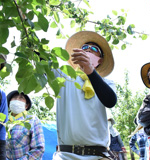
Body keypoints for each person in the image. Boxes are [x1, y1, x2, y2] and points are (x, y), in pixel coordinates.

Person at [52, 31, 117, 160]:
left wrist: (90, 71)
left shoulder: (106, 83)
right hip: (66, 156)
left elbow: (110, 101)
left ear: (100, 59)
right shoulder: (63, 76)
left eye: (94, 49)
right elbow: (40, 59)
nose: (88, 50)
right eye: (84, 48)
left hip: (98, 156)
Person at [6, 90, 45, 160]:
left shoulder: (32, 120)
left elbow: (39, 149)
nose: (17, 100)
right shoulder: (4, 121)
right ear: (9, 103)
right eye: (14, 98)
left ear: (26, 105)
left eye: (21, 98)